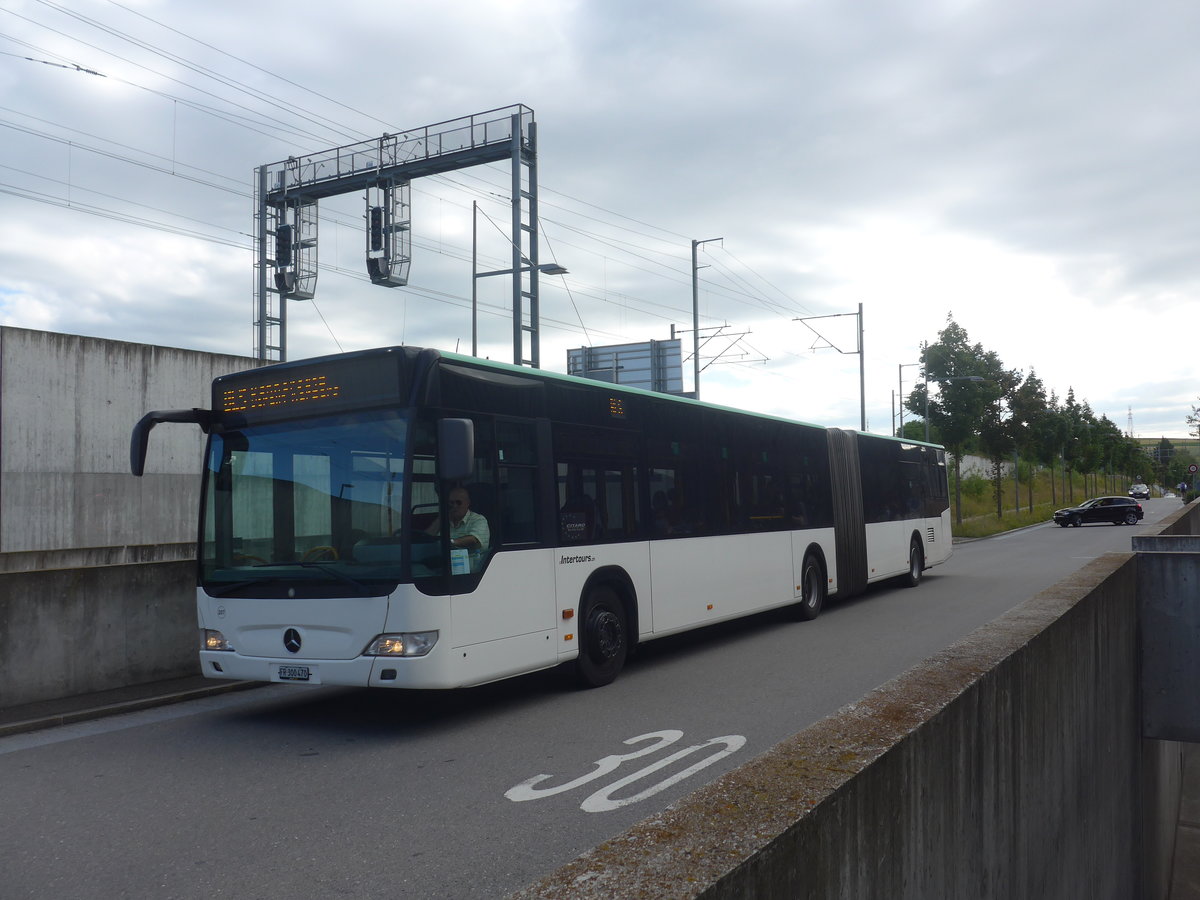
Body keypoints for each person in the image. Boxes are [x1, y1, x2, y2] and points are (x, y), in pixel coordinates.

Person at [427, 485, 490, 563]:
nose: (454, 506)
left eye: (458, 502)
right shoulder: (445, 520)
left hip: (471, 567)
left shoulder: (478, 519)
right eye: (451, 503)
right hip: (443, 564)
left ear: (467, 503)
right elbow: (427, 538)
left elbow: (473, 539)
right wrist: (441, 517)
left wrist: (450, 542)